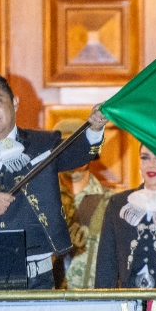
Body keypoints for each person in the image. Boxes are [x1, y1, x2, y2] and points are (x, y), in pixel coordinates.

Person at [0, 72, 108, 289]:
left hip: (37, 279)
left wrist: (95, 128)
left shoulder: (43, 144)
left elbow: (81, 152)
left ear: (14, 103)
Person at [52, 118, 115, 289]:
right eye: (65, 151)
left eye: (79, 150)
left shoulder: (112, 203)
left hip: (95, 304)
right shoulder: (41, 203)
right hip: (50, 304)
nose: (73, 159)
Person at [95, 144, 156, 289]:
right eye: (145, 158)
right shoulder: (119, 203)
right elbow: (106, 262)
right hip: (129, 297)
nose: (151, 165)